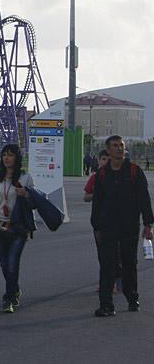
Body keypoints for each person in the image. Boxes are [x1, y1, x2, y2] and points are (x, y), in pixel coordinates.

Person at [91, 135, 153, 317]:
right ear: (108, 150)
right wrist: (96, 227)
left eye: (121, 145)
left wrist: (148, 224)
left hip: (129, 226)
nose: (119, 148)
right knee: (107, 265)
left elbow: (144, 200)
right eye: (115, 146)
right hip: (108, 227)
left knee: (129, 263)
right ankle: (106, 304)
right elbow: (97, 203)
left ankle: (132, 297)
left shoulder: (134, 171)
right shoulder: (102, 174)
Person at [0, 143, 36, 313]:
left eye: (10, 155)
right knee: (4, 264)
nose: (7, 158)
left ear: (17, 157)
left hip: (19, 226)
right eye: (4, 154)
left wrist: (26, 194)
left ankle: (9, 297)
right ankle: (14, 288)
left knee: (13, 263)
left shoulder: (25, 178)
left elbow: (33, 202)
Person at [84, 150, 122, 293]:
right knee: (103, 254)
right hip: (99, 222)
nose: (105, 162)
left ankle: (118, 282)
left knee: (116, 253)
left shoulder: (118, 177)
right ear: (99, 160)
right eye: (103, 159)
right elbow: (86, 197)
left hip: (117, 221)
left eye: (108, 159)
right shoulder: (95, 178)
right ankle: (107, 283)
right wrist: (96, 194)